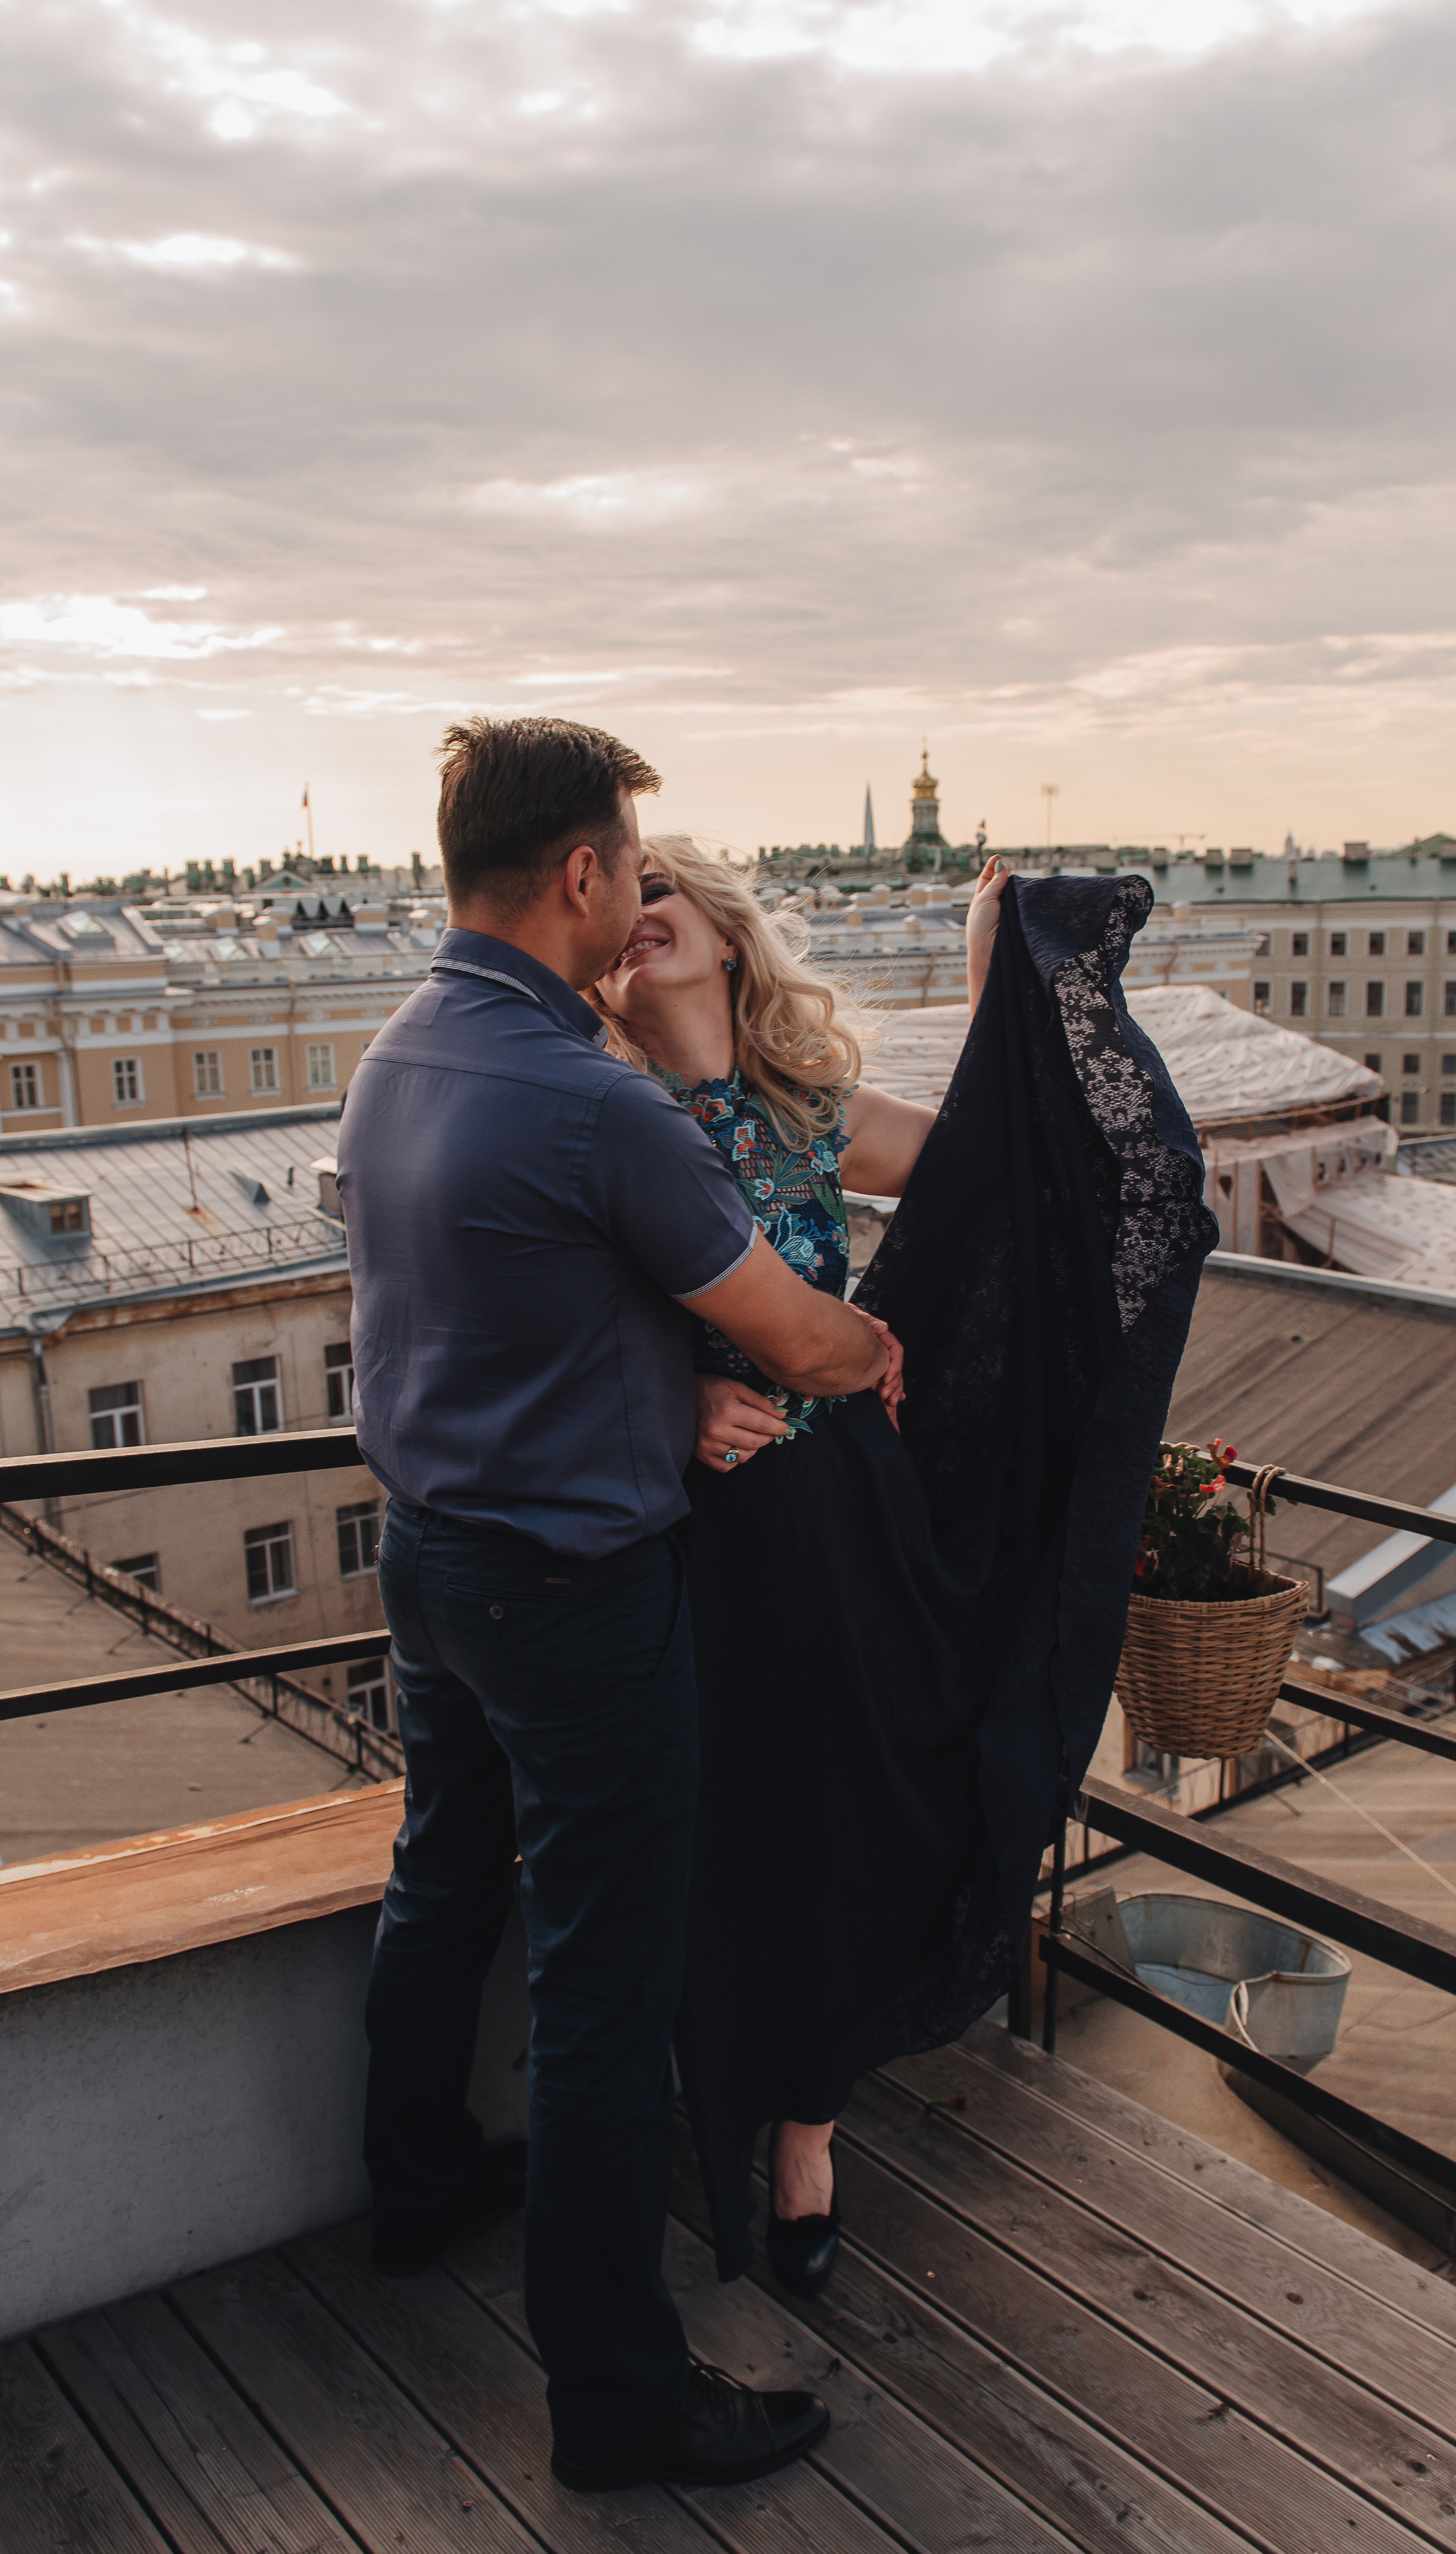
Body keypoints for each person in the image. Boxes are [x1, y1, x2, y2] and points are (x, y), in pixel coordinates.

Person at [337, 719, 897, 2494]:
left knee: (442, 1879)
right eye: (631, 870)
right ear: (579, 873)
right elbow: (797, 1332)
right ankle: (617, 2395)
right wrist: (874, 1352)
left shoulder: (399, 1055)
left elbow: (523, 1308)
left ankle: (415, 2188)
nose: (638, 898)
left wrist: (667, 1390)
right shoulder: (585, 1096)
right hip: (573, 1591)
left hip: (426, 1557)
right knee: (600, 1985)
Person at [591, 838, 1216, 2294]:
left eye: (658, 899)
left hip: (844, 1512)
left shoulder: (801, 1110)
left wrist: (995, 974)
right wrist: (669, 1402)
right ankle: (708, 2096)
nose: (631, 926)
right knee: (713, 1819)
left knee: (852, 1805)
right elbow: (549, 1321)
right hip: (691, 1534)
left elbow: (1011, 1175)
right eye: (614, 911)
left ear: (725, 936)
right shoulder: (601, 1116)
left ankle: (806, 2129)